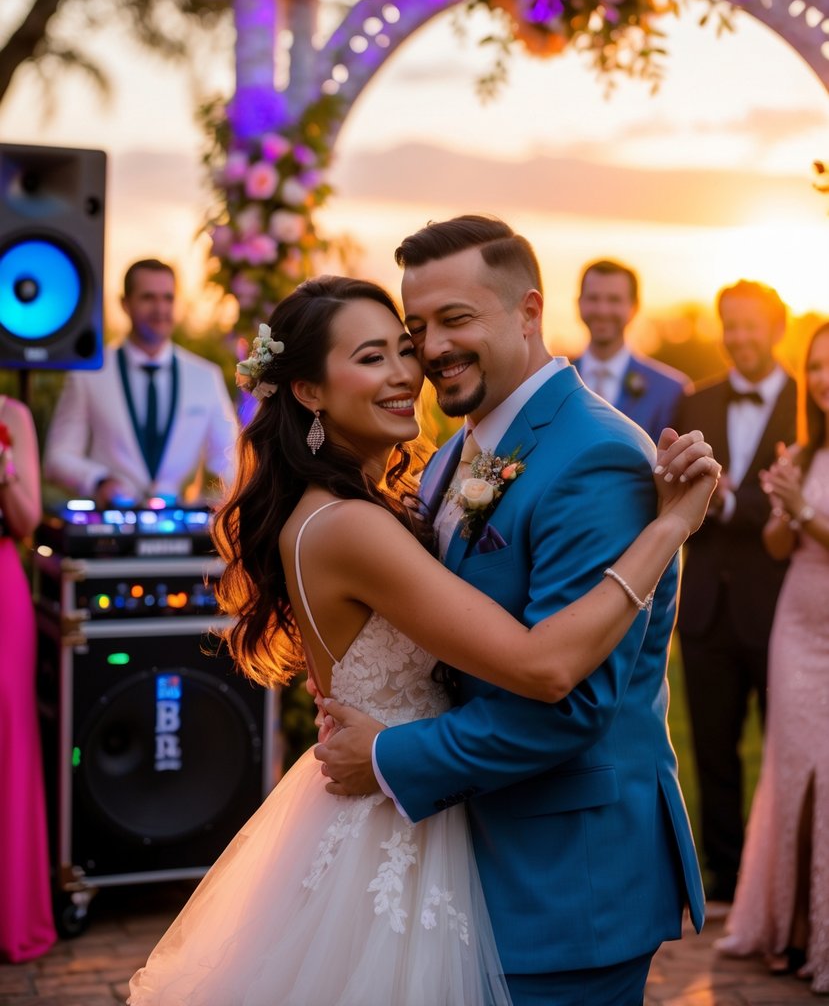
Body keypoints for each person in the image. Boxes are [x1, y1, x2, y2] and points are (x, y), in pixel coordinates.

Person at [128, 273, 718, 1006]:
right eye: (371, 358)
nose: (408, 371)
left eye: (403, 350)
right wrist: (667, 529)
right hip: (396, 831)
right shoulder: (351, 527)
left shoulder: (369, 501)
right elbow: (542, 665)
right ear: (309, 391)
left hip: (417, 813)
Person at [313, 217, 708, 1006]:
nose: (430, 350)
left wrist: (389, 757)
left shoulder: (595, 457)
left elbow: (571, 707)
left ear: (527, 312)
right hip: (475, 858)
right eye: (415, 328)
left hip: (566, 875)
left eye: (455, 320)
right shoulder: (454, 454)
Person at [715, 321, 829, 993]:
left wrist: (801, 512)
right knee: (788, 773)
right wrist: (784, 509)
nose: (820, 379)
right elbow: (778, 548)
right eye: (813, 367)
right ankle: (786, 928)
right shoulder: (808, 453)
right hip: (797, 626)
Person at [676, 279, 797, 912]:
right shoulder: (695, 403)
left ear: (777, 329)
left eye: (752, 325)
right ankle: (724, 884)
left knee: (787, 754)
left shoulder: (811, 404)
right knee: (713, 753)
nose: (740, 337)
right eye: (731, 325)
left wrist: (726, 500)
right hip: (704, 612)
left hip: (784, 609)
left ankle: (781, 882)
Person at [44, 259, 238, 507]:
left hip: (177, 525)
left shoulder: (205, 376)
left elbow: (228, 457)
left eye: (168, 298)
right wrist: (99, 480)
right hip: (112, 526)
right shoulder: (87, 375)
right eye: (148, 297)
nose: (160, 309)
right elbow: (58, 457)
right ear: (125, 304)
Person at [0, 394, 57, 962]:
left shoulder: (10, 414)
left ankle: (10, 914)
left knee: (9, 738)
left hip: (1, 582)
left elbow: (26, 520)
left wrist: (3, 463)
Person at [572, 258, 690, 442]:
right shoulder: (554, 379)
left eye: (614, 300)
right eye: (593, 298)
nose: (602, 310)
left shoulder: (671, 391)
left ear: (634, 307)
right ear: (579, 303)